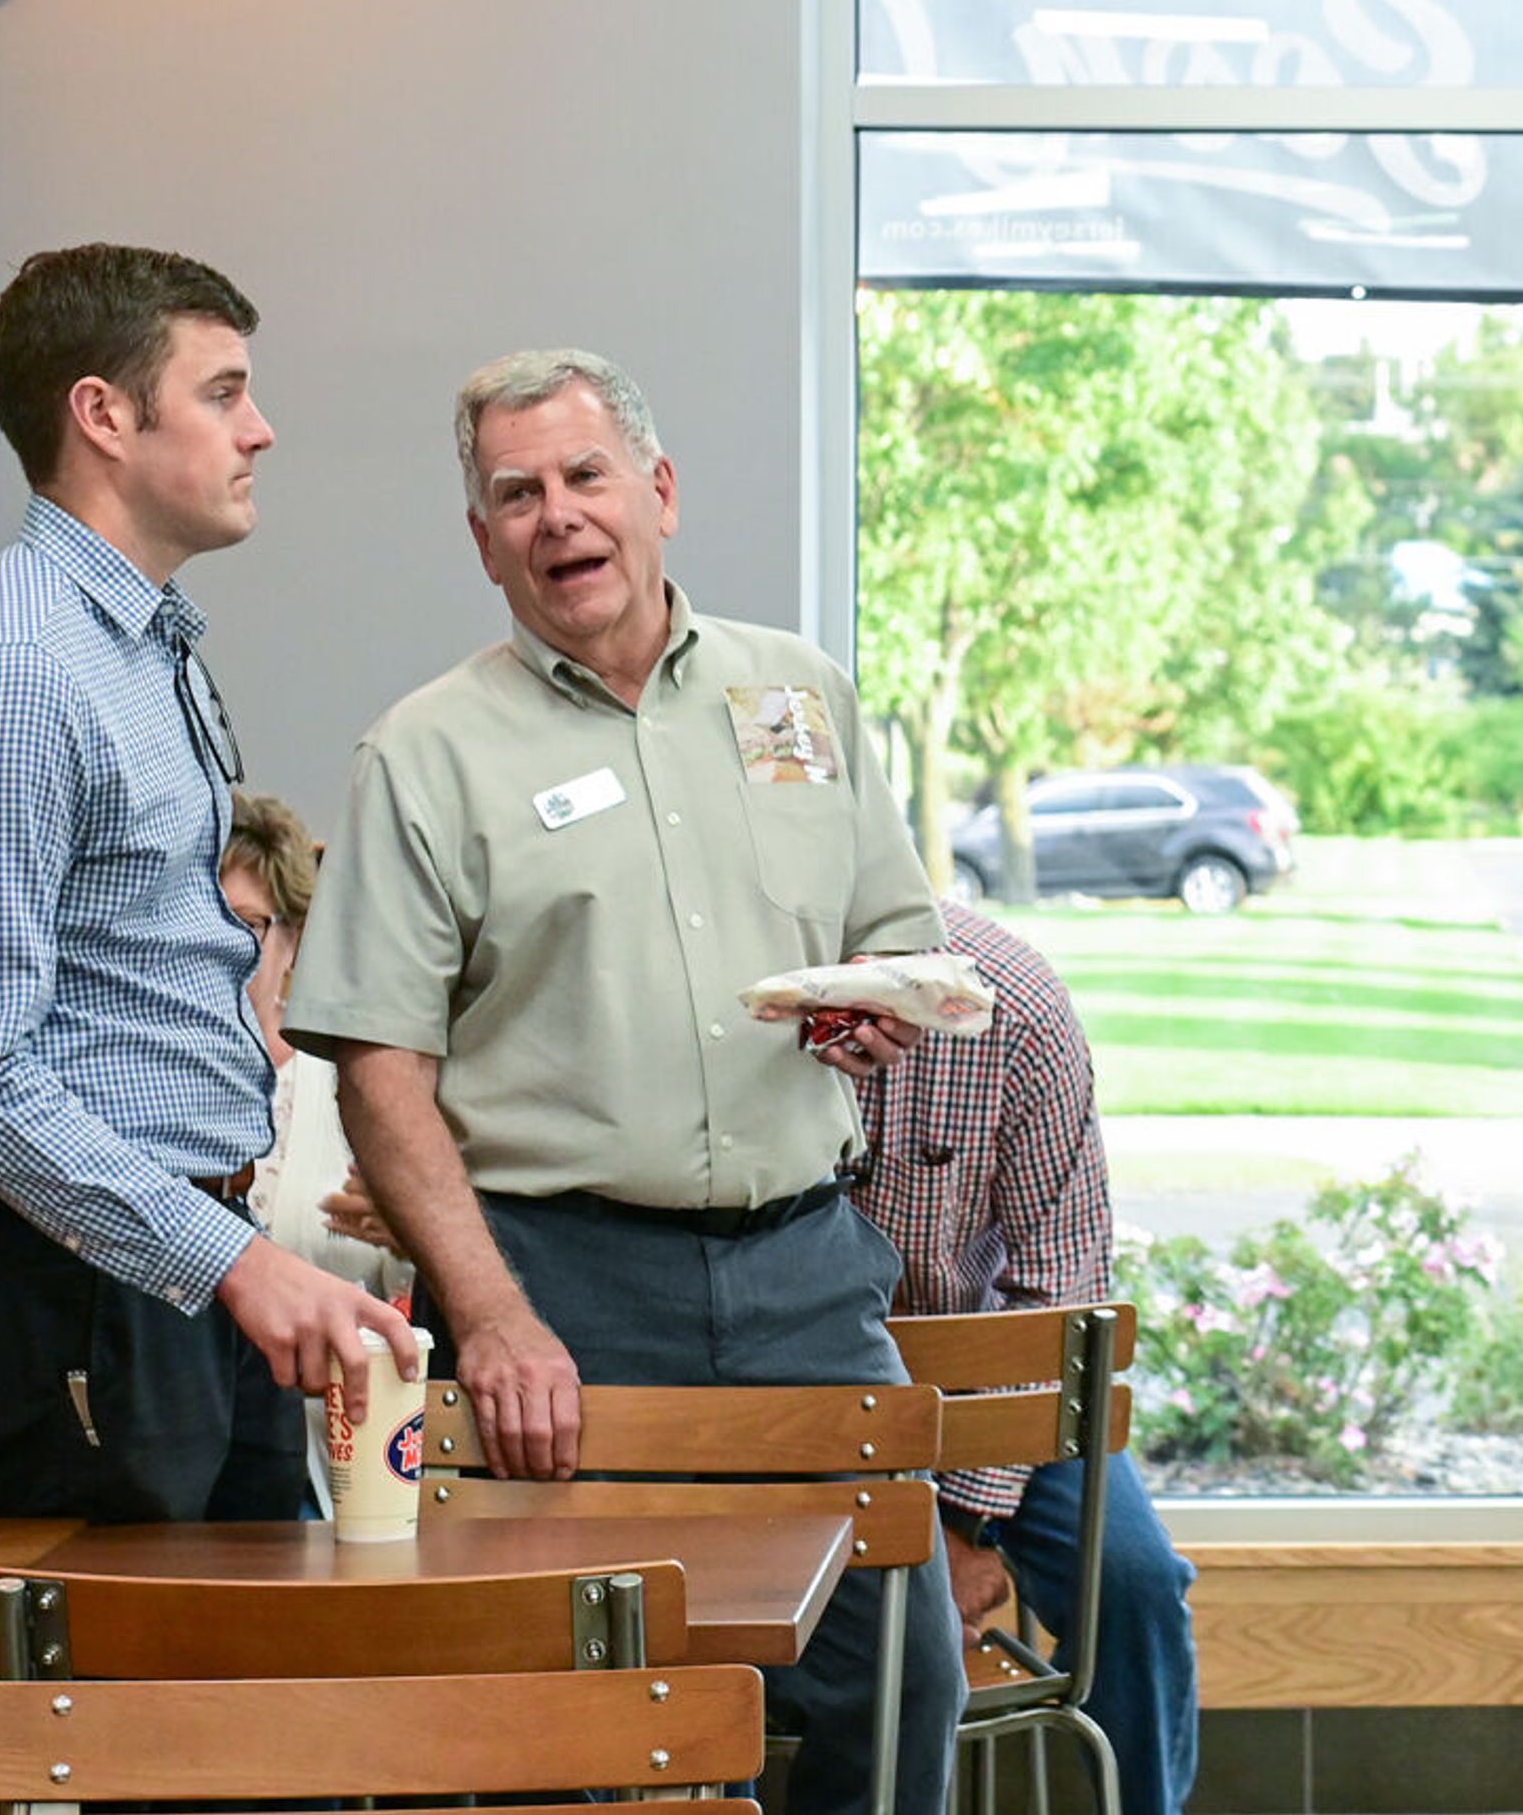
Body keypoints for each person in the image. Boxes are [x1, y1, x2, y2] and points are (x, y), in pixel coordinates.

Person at [288, 347, 962, 1815]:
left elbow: (894, 933)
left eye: (585, 476)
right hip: (561, 1293)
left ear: (657, 492)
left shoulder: (803, 691)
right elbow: (376, 1065)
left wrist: (880, 1007)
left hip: (803, 1277)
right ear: (482, 541)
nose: (556, 515)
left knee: (901, 1680)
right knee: (560, 1718)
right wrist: (494, 1315)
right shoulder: (426, 753)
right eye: (515, 493)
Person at [0, 245, 415, 1524]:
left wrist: (235, 1254)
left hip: (186, 1262)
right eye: (222, 392)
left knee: (249, 1693)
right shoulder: (16, 678)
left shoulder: (140, 645)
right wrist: (232, 1260)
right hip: (69, 1284)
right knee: (119, 1713)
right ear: (103, 415)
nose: (259, 430)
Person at [850, 901, 1200, 1813]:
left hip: (994, 1381)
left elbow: (1063, 1289)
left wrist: (969, 1522)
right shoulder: (730, 985)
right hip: (803, 1393)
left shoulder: (1017, 1005)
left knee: (1137, 1583)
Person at [219, 792, 406, 1300]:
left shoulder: (355, 1081)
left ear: (296, 940)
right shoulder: (139, 1078)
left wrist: (412, 1234)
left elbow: (407, 1278)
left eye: (246, 923)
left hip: (339, 1373)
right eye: (204, 921)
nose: (218, 944)